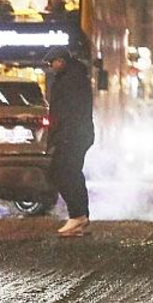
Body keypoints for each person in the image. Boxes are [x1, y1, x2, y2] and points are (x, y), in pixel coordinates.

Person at [44, 45, 94, 237]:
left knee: (62, 172)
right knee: (70, 173)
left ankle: (78, 215)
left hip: (71, 135)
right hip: (74, 135)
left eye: (52, 62)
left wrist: (61, 136)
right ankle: (80, 216)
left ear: (62, 61)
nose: (51, 66)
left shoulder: (69, 80)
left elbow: (67, 111)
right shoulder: (74, 77)